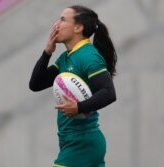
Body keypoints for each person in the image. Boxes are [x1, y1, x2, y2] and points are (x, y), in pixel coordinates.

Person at [29, 5, 117, 167]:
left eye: (63, 20)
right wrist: (47, 52)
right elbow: (36, 84)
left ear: (78, 27)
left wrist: (79, 107)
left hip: (83, 142)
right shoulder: (66, 57)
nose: (57, 24)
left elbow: (109, 92)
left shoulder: (88, 56)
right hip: (70, 141)